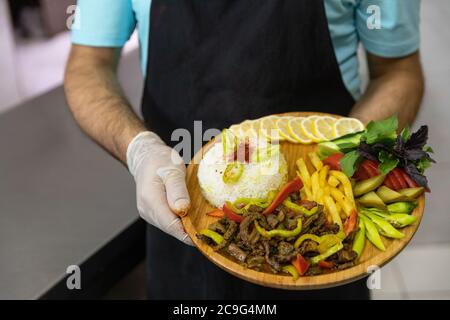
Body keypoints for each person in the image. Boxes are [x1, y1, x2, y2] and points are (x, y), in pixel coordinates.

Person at [64, 0, 424, 299]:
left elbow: (398, 71)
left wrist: (353, 152)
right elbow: (88, 63)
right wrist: (139, 150)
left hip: (321, 227)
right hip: (184, 209)